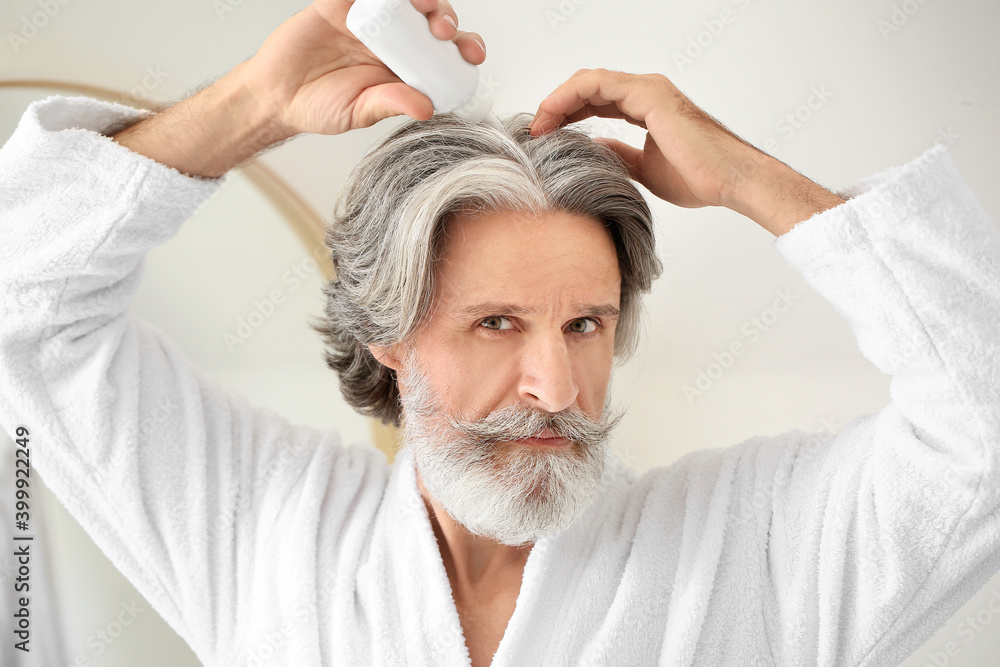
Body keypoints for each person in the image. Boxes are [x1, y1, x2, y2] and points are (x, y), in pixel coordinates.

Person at [1, 0, 998, 665]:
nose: (555, 385)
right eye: (495, 323)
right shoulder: (263, 529)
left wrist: (752, 181)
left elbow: (983, 434)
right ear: (389, 334)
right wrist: (254, 106)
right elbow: (26, 302)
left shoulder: (754, 550)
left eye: (585, 323)